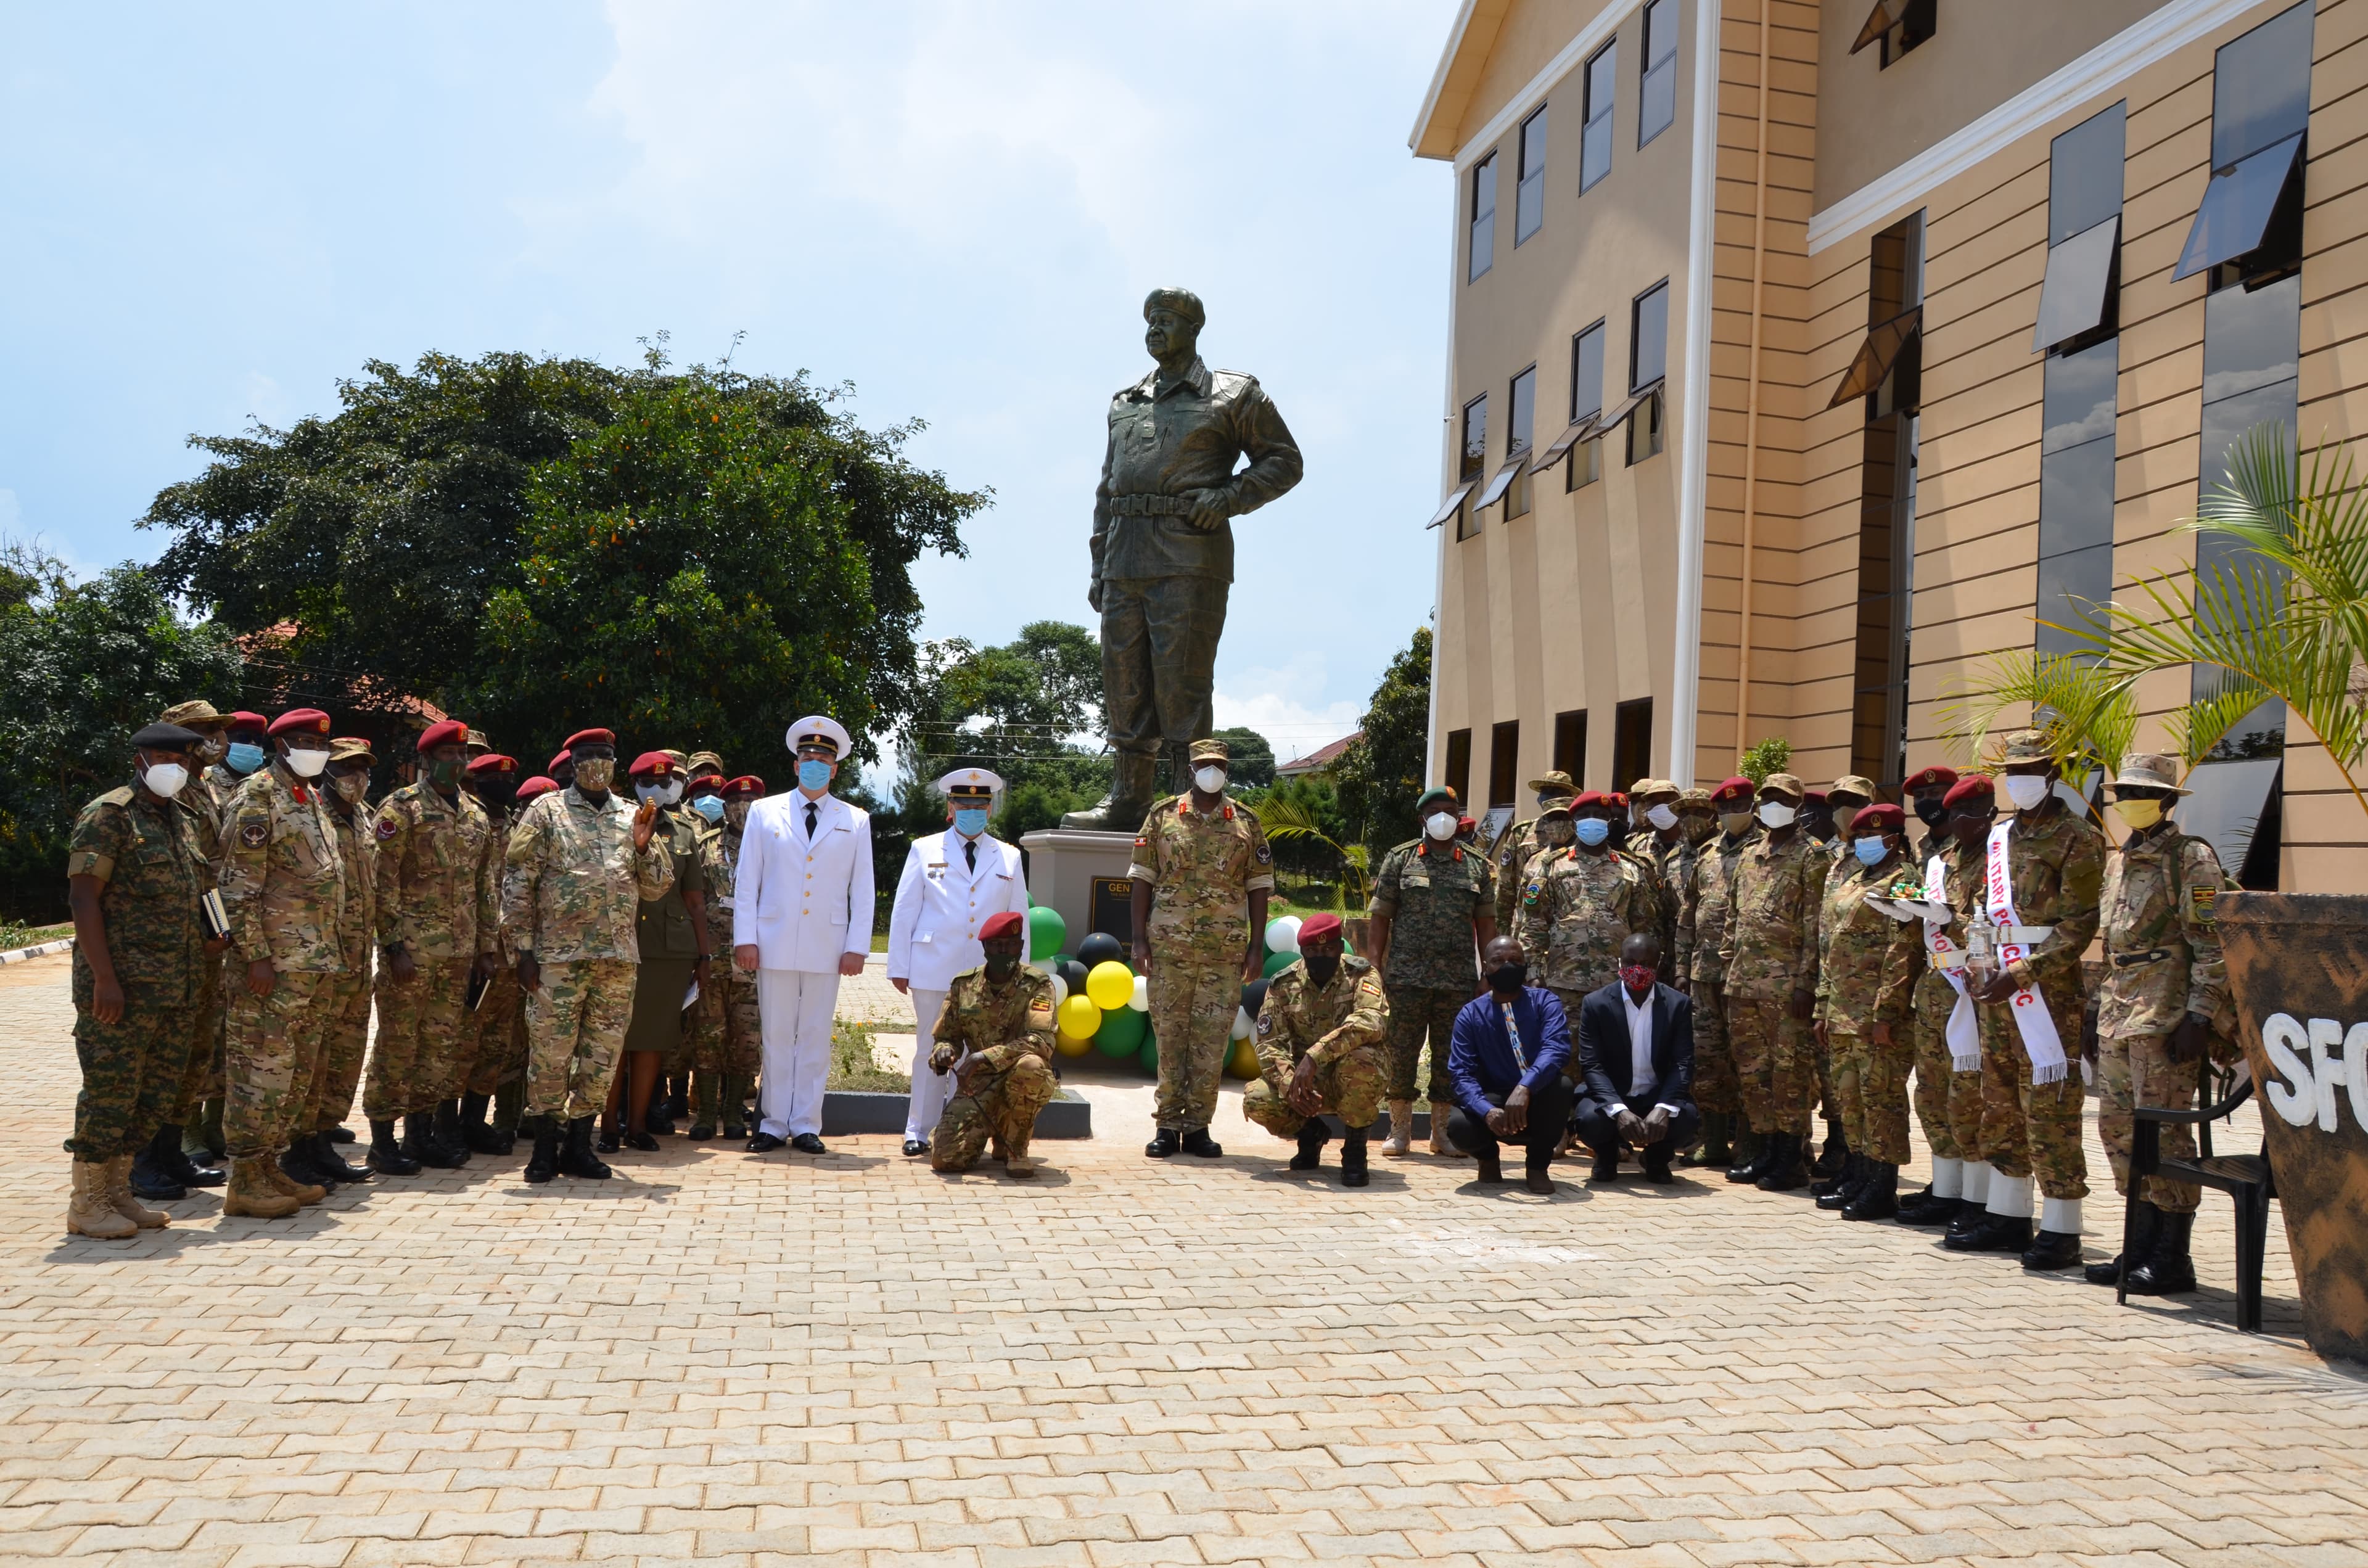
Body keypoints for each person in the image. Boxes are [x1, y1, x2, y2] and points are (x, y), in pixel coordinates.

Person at [1064, 287, 1304, 829]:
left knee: (1181, 689)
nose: (1155, 328)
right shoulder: (1125, 402)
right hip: (1125, 561)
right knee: (1124, 685)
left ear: (1193, 329)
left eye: (1167, 320)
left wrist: (1228, 498)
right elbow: (1107, 490)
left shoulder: (1234, 394)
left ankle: (1182, 802)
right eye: (1150, 320)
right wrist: (1099, 565)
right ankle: (1128, 795)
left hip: (1189, 560)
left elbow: (1285, 461)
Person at [1949, 731, 2105, 1270]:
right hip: (1995, 984)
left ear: (2053, 774)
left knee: (2050, 1108)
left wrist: (2021, 973)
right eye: (2014, 770)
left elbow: (2080, 925)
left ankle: (2062, 1225)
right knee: (2000, 1099)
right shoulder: (2001, 836)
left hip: (2048, 991)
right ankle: (2009, 1214)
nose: (2021, 779)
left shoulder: (2077, 837)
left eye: (2032, 769)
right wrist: (1977, 963)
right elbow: (1980, 913)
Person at [2084, 752, 2234, 1295]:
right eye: (2123, 792)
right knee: (2119, 1131)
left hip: (2165, 1015)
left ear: (2168, 800)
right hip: (2120, 1009)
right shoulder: (2121, 859)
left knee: (2166, 1133)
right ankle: (2139, 1245)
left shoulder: (2190, 858)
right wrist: (2093, 1009)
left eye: (2141, 793)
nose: (2129, 801)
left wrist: (2199, 1015)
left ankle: (2173, 1256)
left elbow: (2211, 943)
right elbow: (2116, 942)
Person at [62, 721, 216, 1237]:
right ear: (142, 758)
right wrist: (104, 979)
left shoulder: (183, 818)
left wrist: (217, 932)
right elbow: (84, 898)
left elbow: (197, 892)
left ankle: (118, 1191)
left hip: (177, 986)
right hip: (121, 990)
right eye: (169, 757)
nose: (181, 768)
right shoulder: (109, 816)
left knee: (153, 1095)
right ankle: (87, 1202)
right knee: (110, 1093)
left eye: (187, 760)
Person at [504, 728, 673, 1183]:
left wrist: (642, 846)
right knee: (550, 1054)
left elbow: (658, 887)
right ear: (572, 761)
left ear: (615, 762)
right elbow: (518, 883)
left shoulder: (630, 815)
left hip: (616, 960)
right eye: (587, 756)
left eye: (605, 755)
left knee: (601, 1056)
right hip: (557, 958)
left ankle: (579, 1144)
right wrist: (521, 950)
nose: (597, 762)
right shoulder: (546, 811)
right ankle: (544, 1147)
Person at [218, 708, 348, 1218]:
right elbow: (236, 888)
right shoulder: (257, 797)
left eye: (320, 742)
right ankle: (246, 1177)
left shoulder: (309, 797)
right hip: (273, 965)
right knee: (260, 1069)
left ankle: (270, 1165)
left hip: (313, 964)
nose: (315, 750)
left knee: (294, 1073)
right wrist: (256, 957)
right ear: (281, 746)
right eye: (302, 741)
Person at [1128, 736, 1274, 1157]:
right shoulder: (1162, 816)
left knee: (1211, 1042)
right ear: (1190, 769)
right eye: (1204, 764)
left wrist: (1255, 946)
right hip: (1169, 950)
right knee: (1170, 1038)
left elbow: (1259, 886)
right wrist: (1138, 939)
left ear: (1226, 770)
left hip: (1224, 954)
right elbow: (1141, 878)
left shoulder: (1245, 821)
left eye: (1220, 764)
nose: (1213, 770)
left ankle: (1197, 1127)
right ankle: (1167, 1124)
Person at [734, 716, 874, 1157]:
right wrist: (746, 937)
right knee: (776, 1035)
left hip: (827, 944)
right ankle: (773, 1122)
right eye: (808, 757)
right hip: (772, 939)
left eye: (824, 758)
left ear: (835, 769)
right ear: (796, 765)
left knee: (814, 1035)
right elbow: (747, 881)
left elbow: (863, 889)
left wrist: (857, 945)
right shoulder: (764, 811)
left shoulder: (855, 819)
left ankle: (808, 1123)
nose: (815, 763)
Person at [364, 718, 497, 1172]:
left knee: (439, 1046)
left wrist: (485, 947)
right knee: (398, 1044)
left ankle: (420, 1136)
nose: (457, 763)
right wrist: (393, 944)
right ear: (427, 760)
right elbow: (383, 882)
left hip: (458, 955)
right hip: (413, 954)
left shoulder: (476, 814)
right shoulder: (401, 809)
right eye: (448, 755)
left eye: (462, 756)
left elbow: (486, 888)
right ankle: (383, 1140)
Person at [887, 768, 1031, 1157]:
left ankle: (959, 1131)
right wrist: (898, 964)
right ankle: (918, 1129)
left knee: (975, 1055)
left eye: (980, 805)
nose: (973, 811)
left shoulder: (1010, 856)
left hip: (986, 975)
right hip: (934, 965)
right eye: (965, 804)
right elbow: (905, 910)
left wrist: (1023, 973)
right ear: (950, 808)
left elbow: (1019, 919)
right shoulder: (925, 849)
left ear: (990, 809)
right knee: (928, 1049)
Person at [127, 699, 236, 1200]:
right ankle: (144, 1158)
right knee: (157, 1059)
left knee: (194, 1053)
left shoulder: (206, 789)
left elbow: (207, 874)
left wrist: (219, 932)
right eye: (206, 731)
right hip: (162, 950)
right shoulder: (160, 793)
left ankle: (172, 1152)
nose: (216, 739)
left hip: (202, 944)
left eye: (218, 731)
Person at [1367, 786, 1496, 1159]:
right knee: (1401, 1052)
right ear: (1422, 818)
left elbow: (1486, 925)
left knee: (1450, 1057)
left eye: (1452, 811)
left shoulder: (1476, 865)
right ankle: (1400, 1131)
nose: (1445, 817)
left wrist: (1487, 973)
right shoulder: (1400, 859)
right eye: (1437, 810)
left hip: (1457, 979)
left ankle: (1442, 1132)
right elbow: (1380, 919)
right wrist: (1375, 968)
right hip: (1405, 977)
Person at [1810, 802, 1920, 1219]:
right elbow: (1830, 946)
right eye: (1858, 839)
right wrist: (1824, 1005)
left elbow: (1906, 945)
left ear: (1892, 838)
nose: (1863, 844)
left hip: (1876, 1014)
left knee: (1882, 1101)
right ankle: (1858, 1172)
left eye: (1870, 838)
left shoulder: (1905, 880)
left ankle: (1882, 1183)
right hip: (1842, 1010)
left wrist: (1887, 1012)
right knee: (1850, 1099)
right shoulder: (1856, 877)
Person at [1717, 772, 1823, 1192]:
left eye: (1783, 799)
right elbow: (1734, 916)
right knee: (1754, 1073)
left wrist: (1805, 984)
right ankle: (1764, 1149)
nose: (1773, 806)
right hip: (1744, 984)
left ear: (1799, 806)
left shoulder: (1812, 856)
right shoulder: (1750, 855)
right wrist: (1729, 963)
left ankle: (1790, 1157)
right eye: (1768, 799)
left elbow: (1817, 927)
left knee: (1790, 1075)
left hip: (1786, 989)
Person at [603, 752, 710, 1154]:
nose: (661, 789)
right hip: (619, 944)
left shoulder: (684, 831)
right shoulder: (616, 826)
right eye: (651, 781)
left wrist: (704, 956)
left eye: (667, 782)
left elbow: (696, 900)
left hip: (669, 952)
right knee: (614, 1037)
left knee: (650, 1040)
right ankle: (609, 1124)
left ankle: (639, 1124)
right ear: (636, 786)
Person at [1241, 912, 1389, 1186]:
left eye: (1328, 949)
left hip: (1349, 1073)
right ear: (1302, 951)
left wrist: (1314, 1055)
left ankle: (1355, 1149)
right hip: (1305, 1082)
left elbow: (1371, 1022)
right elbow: (1270, 1044)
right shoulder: (1284, 985)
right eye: (1312, 950)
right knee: (1257, 1099)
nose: (1320, 955)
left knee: (1363, 1061)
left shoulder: (1362, 975)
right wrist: (1290, 1086)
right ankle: (1310, 1134)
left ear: (1339, 946)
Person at [290, 735, 379, 1191]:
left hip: (358, 964)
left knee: (344, 1059)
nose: (356, 778)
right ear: (327, 770)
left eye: (363, 769)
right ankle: (297, 1149)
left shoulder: (365, 818)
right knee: (313, 1058)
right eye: (346, 769)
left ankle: (323, 1142)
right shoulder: (311, 815)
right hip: (319, 963)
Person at [1893, 765, 1978, 1225]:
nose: (1929, 801)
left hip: (1971, 988)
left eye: (1937, 792)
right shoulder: (1926, 851)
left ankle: (1976, 1194)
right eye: (1921, 794)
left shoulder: (1987, 850)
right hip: (1932, 986)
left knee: (1967, 1095)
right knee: (1930, 1093)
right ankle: (1946, 1186)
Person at [926, 911, 1061, 1176]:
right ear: (985, 948)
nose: (1004, 952)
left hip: (1019, 1074)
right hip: (979, 1084)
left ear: (1021, 947)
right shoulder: (963, 985)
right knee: (946, 1160)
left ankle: (1016, 1148)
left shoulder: (1038, 984)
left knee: (1032, 1067)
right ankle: (989, 1129)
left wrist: (982, 1057)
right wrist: (943, 1053)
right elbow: (946, 1036)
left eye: (1011, 945)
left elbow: (1041, 1041)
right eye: (997, 946)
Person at [1444, 936, 1576, 1194]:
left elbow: (1557, 1048)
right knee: (1458, 1125)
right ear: (1485, 967)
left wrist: (1525, 1087)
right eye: (1498, 961)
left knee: (1562, 1086)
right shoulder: (1470, 1014)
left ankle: (1537, 1166)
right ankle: (1488, 1158)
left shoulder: (1544, 1002)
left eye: (1515, 961)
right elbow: (1460, 1073)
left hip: (1537, 1096)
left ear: (1526, 966)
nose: (1507, 967)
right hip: (1494, 1099)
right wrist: (1486, 1111)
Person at [1572, 932, 1700, 1184]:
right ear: (1620, 963)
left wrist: (1663, 1108)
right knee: (1588, 1120)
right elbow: (1592, 1064)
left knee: (1687, 1118)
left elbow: (1683, 1062)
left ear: (1659, 965)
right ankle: (1606, 1156)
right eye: (1631, 963)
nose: (1638, 970)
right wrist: (1618, 1111)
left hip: (1656, 1094)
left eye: (1647, 964)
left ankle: (1657, 1159)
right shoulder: (1596, 1004)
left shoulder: (1677, 1004)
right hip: (1614, 1094)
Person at [1515, 790, 1653, 1022]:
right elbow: (1534, 926)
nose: (1593, 820)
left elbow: (1644, 927)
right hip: (1564, 979)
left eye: (1600, 815)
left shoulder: (1631, 869)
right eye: (1585, 815)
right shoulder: (1552, 866)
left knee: (1613, 1052)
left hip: (1616, 982)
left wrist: (1641, 975)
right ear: (1574, 823)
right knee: (1566, 1051)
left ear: (1609, 824)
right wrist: (1533, 975)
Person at [1677, 776, 1756, 1168]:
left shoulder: (1762, 849)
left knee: (1747, 1060)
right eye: (1723, 808)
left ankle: (1748, 1141)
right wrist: (1681, 968)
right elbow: (1688, 915)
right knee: (1708, 1059)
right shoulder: (1706, 854)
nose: (1729, 814)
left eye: (1736, 806)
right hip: (1702, 973)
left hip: (1746, 975)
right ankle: (1712, 1140)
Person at [687, 774, 764, 1141]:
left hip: (755, 964)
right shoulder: (706, 846)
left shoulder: (772, 849)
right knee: (708, 1037)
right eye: (736, 803)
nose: (743, 811)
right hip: (713, 959)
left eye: (751, 803)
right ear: (725, 807)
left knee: (747, 1040)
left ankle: (734, 1112)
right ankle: (705, 1114)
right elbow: (693, 900)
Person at [458, 752, 526, 1154]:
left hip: (510, 955)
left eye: (510, 779)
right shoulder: (468, 822)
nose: (506, 786)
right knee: (462, 1038)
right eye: (497, 780)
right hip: (470, 951)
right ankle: (443, 1122)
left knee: (497, 1043)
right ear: (479, 783)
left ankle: (474, 1120)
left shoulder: (519, 827)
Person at [1494, 770, 1578, 935]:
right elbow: (1505, 887)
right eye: (1545, 792)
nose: (1550, 797)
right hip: (1527, 924)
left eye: (1558, 792)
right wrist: (1501, 935)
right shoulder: (1522, 833)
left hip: (1569, 927)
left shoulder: (1582, 832)